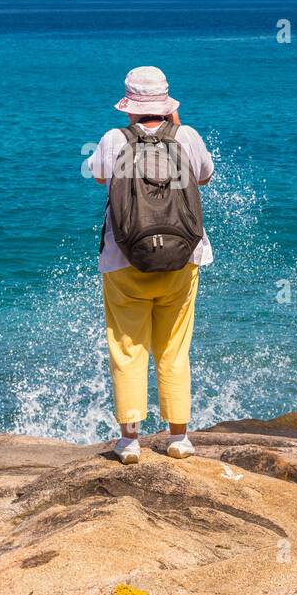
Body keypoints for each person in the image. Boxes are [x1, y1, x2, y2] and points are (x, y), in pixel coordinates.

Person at [87, 66, 214, 464]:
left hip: (124, 259)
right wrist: (177, 126)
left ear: (128, 105)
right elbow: (205, 176)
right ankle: (179, 438)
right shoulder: (187, 136)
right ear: (166, 102)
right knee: (174, 349)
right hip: (183, 259)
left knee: (128, 349)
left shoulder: (114, 139)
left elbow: (98, 177)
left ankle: (129, 441)